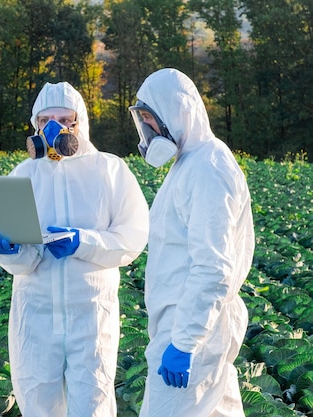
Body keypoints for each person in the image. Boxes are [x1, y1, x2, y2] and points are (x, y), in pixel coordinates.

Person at [0, 81, 150, 416]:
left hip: (90, 314)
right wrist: (9, 250)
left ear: (80, 122)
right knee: (37, 405)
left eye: (64, 118)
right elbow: (25, 261)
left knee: (93, 406)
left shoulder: (109, 169)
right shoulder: (23, 174)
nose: (55, 127)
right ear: (36, 125)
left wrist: (83, 242)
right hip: (35, 314)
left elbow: (132, 238)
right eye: (46, 120)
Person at [128, 68, 254, 416]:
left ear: (175, 114)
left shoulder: (207, 168)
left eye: (151, 120)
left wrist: (184, 342)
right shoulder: (190, 163)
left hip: (192, 330)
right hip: (194, 325)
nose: (148, 131)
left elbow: (213, 267)